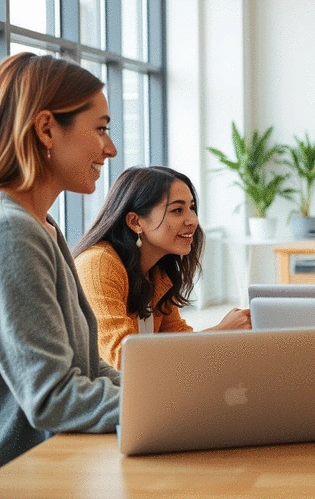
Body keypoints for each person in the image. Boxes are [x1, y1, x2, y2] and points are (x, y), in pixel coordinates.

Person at [0, 53, 121, 466]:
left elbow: (85, 370)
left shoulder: (42, 226)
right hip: (26, 471)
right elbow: (53, 396)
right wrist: (174, 407)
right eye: (101, 129)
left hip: (57, 459)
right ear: (47, 129)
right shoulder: (12, 231)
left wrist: (172, 392)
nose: (111, 148)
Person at [73, 166, 251, 370]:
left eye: (192, 208)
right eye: (177, 210)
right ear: (135, 222)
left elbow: (177, 340)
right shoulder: (98, 265)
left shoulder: (156, 272)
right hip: (100, 396)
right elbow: (125, 358)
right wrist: (219, 333)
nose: (192, 220)